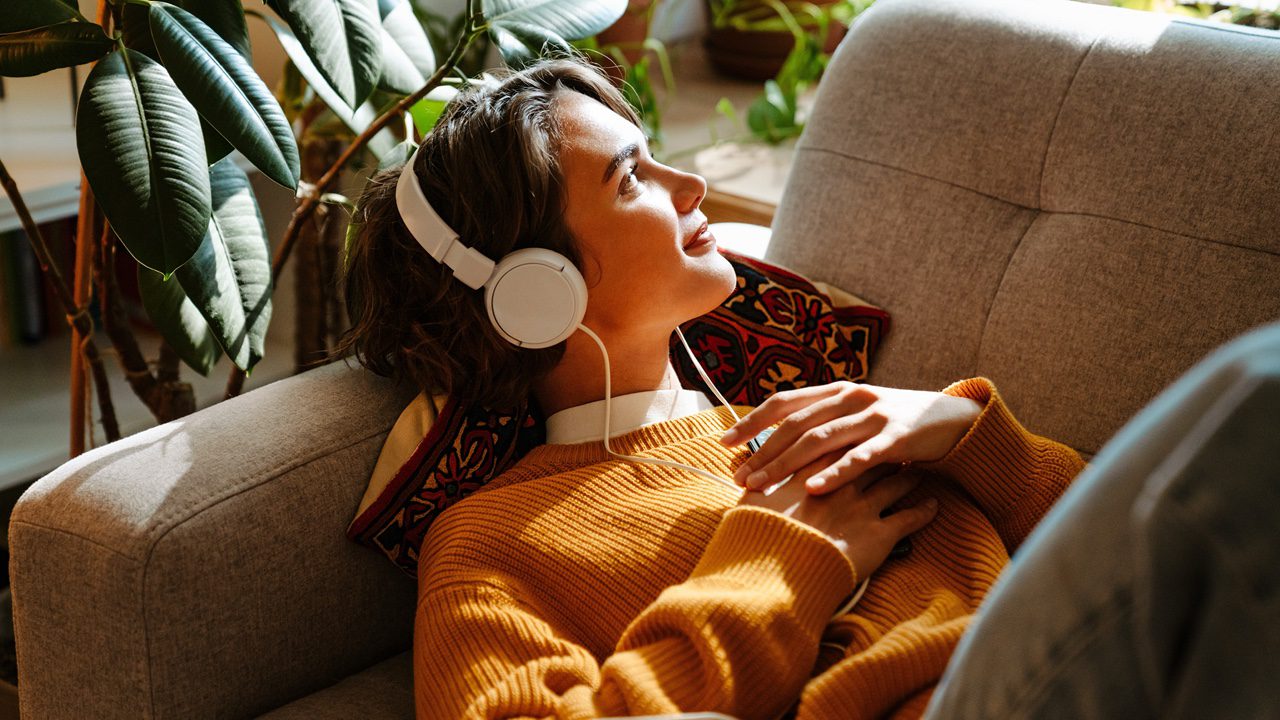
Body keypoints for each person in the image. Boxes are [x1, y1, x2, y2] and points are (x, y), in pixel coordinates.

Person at [337, 56, 1085, 719]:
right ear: (538, 292)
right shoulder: (489, 545)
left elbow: (1110, 529)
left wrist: (957, 428)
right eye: (632, 177)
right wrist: (779, 564)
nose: (692, 184)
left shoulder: (819, 416)